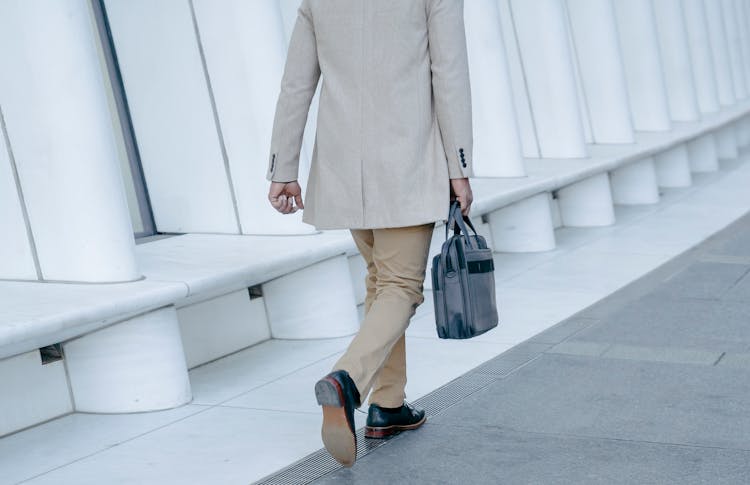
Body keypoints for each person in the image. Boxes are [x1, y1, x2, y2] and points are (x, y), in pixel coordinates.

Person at [266, 0, 473, 467]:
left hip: (344, 164)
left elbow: (297, 82)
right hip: (408, 158)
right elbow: (450, 73)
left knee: (382, 282)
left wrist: (283, 165)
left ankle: (389, 404)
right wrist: (459, 167)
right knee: (401, 286)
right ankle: (347, 380)